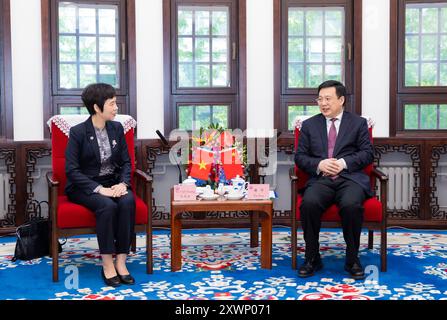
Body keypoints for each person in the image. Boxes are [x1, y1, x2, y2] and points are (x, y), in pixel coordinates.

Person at [294, 80, 374, 280]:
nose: (323, 103)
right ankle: (312, 257)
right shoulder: (309, 125)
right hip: (321, 180)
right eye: (320, 99)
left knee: (351, 205)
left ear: (341, 100)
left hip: (350, 179)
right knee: (309, 204)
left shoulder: (358, 123)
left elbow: (367, 154)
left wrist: (344, 163)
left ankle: (352, 258)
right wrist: (319, 164)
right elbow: (300, 157)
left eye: (328, 98)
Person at [65, 83, 136, 287]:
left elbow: (125, 161)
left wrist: (123, 183)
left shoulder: (117, 127)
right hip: (85, 186)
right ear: (97, 107)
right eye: (112, 103)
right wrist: (99, 189)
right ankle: (107, 264)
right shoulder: (78, 132)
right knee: (107, 205)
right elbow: (72, 170)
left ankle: (121, 261)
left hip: (112, 182)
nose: (116, 108)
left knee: (127, 201)